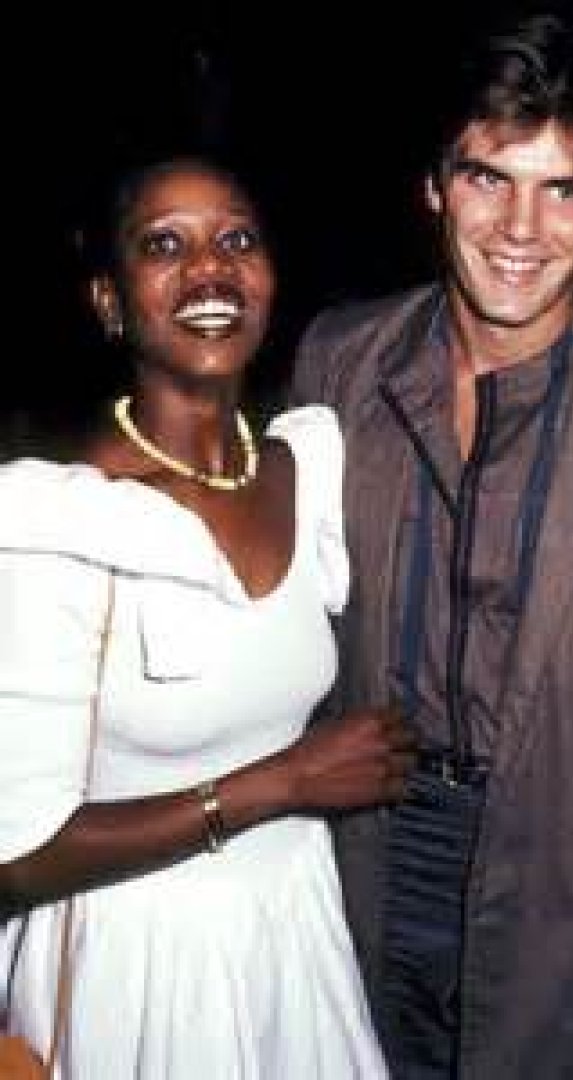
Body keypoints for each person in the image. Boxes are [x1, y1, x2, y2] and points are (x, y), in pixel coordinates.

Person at [289, 13, 573, 1079]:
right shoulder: (339, 360)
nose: (522, 227)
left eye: (563, 189)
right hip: (363, 870)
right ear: (436, 186)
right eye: (489, 178)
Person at [0, 141, 417, 1078]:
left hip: (292, 940)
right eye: (164, 245)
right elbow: (15, 856)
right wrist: (283, 784)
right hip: (138, 968)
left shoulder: (306, 470)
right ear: (109, 301)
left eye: (236, 239)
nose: (209, 269)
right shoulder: (56, 523)